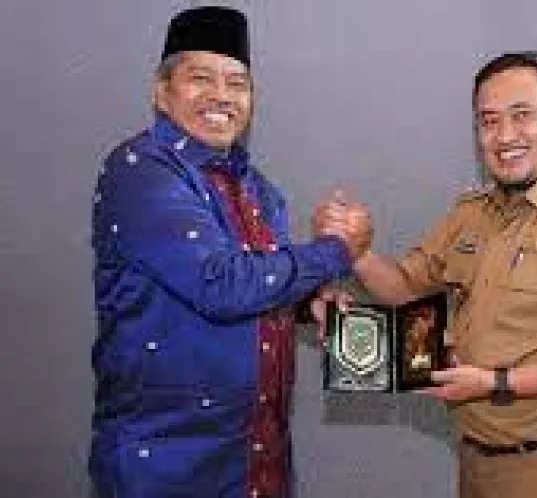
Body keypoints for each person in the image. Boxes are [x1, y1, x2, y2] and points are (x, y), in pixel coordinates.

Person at [316, 51, 537, 497]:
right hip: (477, 457)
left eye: (522, 115)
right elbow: (405, 288)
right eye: (489, 121)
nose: (505, 135)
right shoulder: (472, 212)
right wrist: (357, 253)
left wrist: (496, 382)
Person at [89, 6, 371, 497]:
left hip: (256, 463)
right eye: (201, 78)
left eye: (238, 83)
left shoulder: (259, 190)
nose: (222, 96)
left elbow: (252, 283)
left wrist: (304, 304)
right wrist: (338, 249)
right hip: (166, 469)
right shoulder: (141, 169)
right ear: (161, 91)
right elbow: (221, 284)